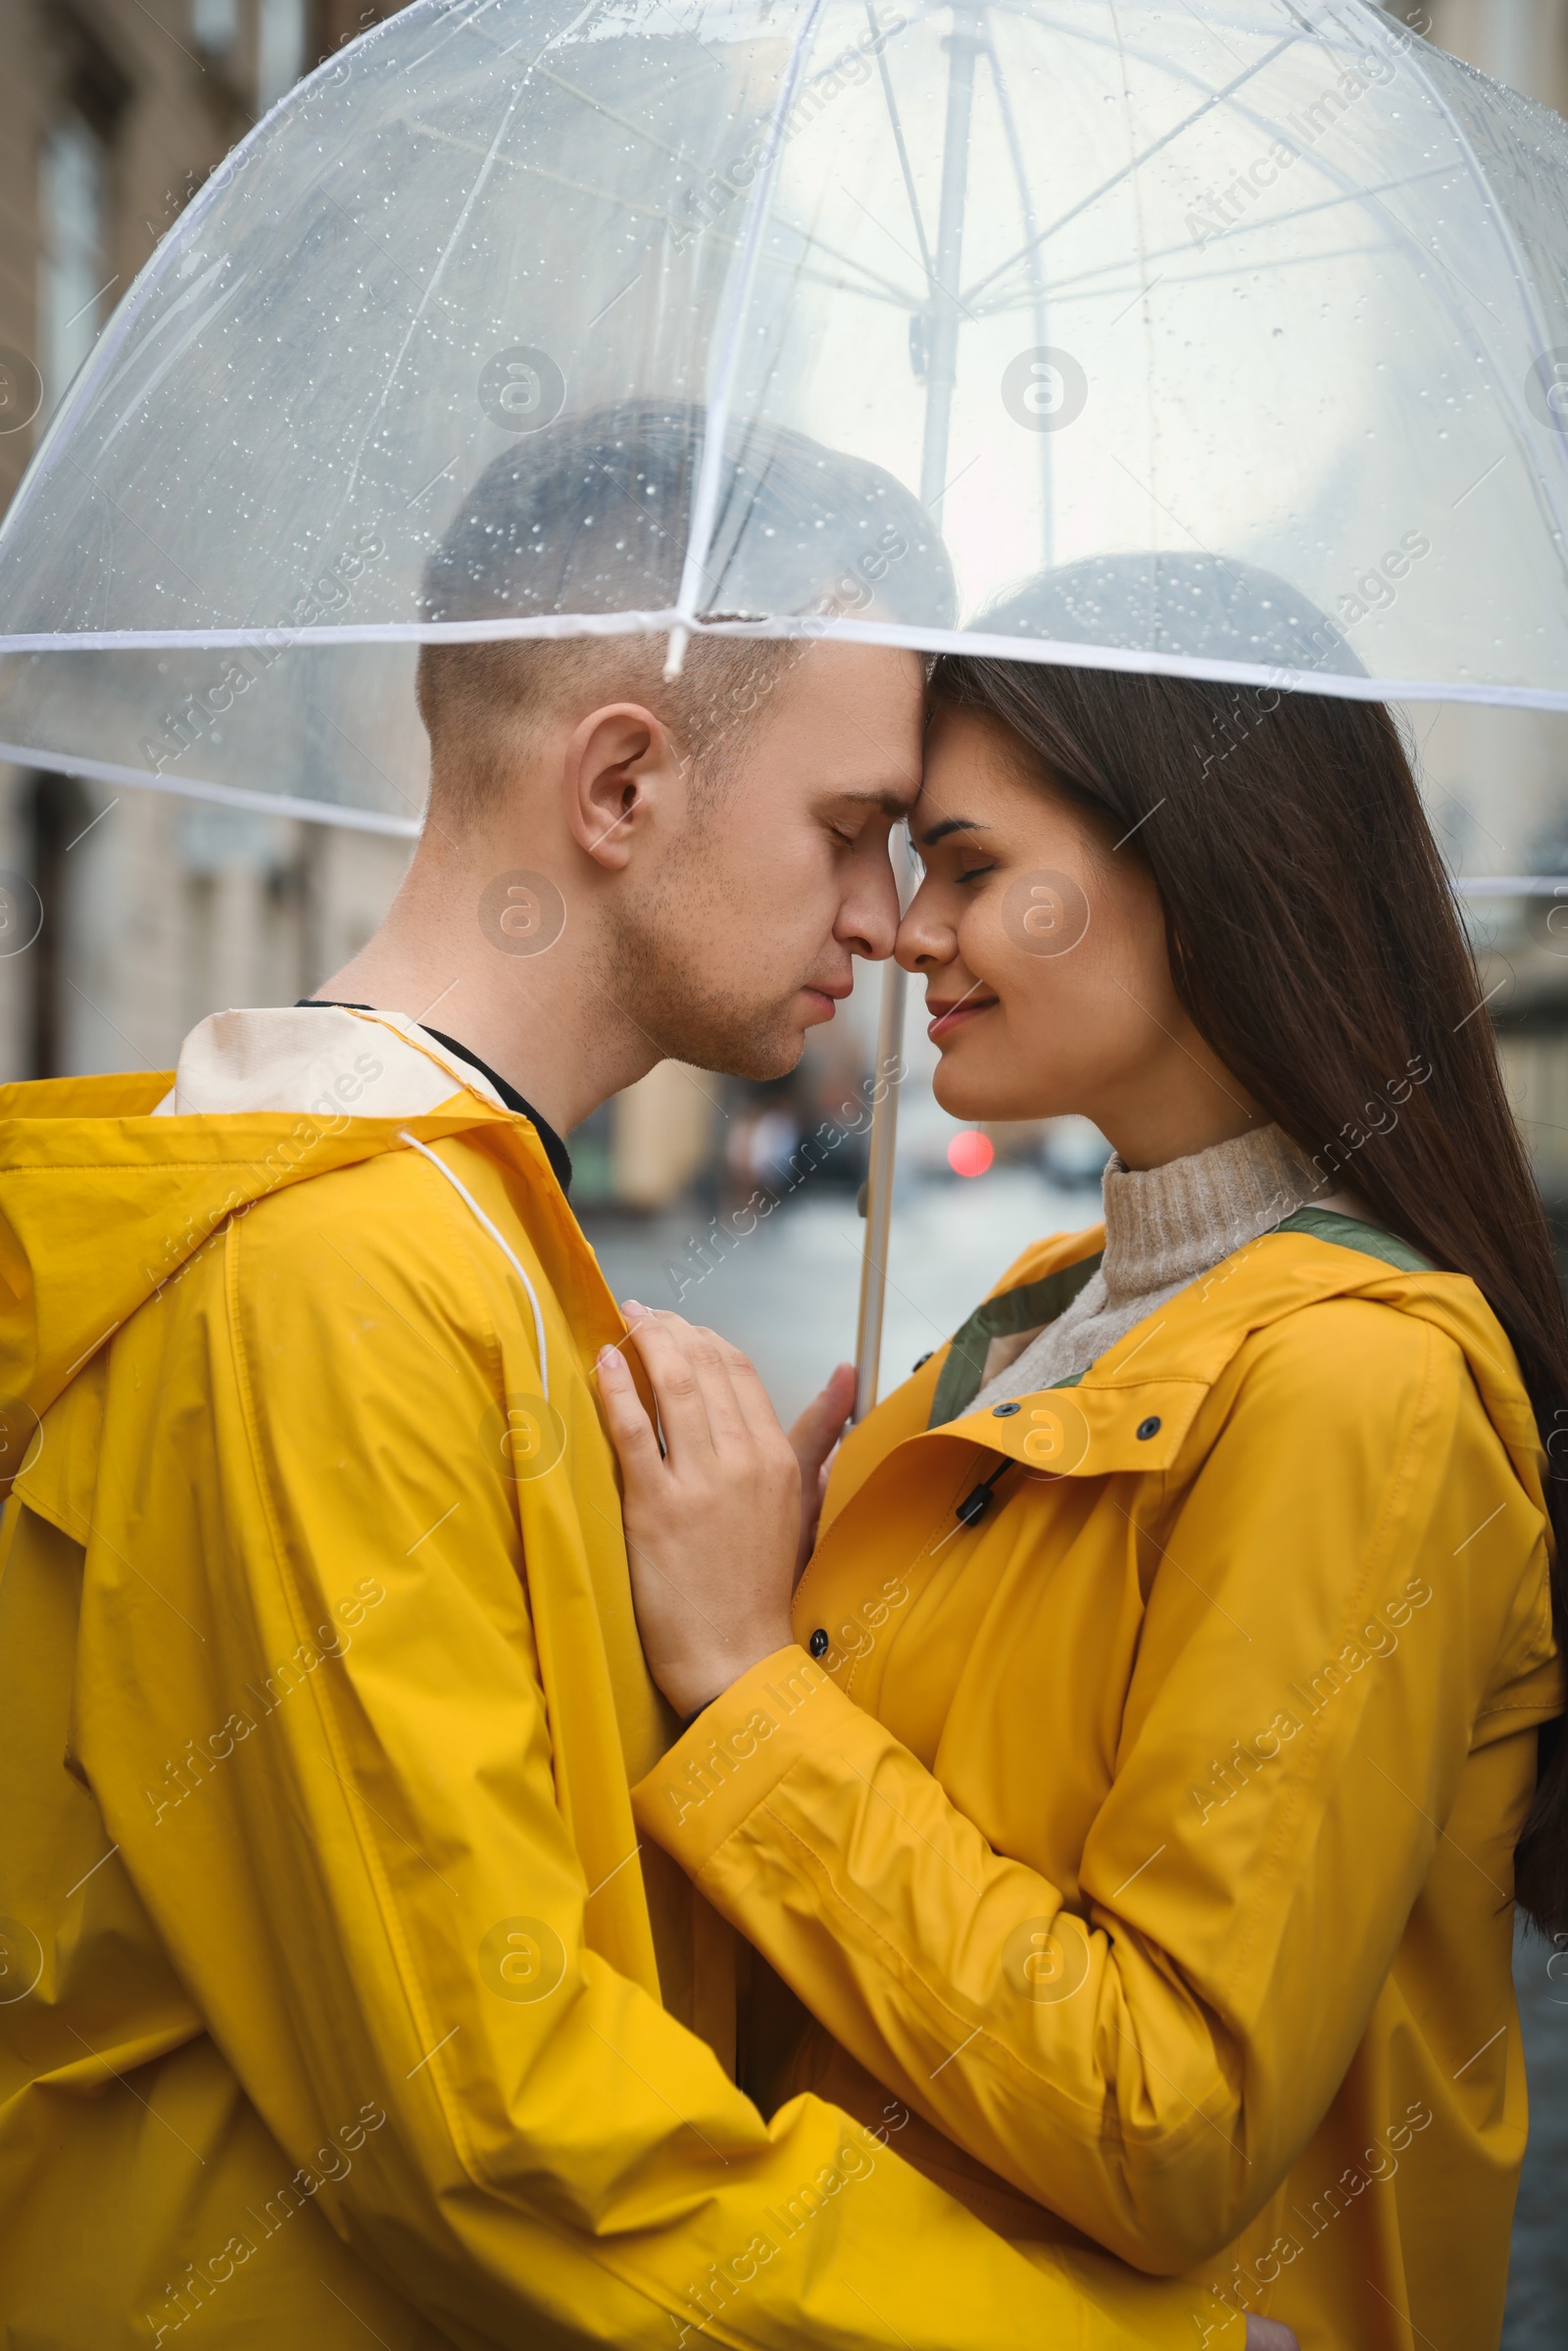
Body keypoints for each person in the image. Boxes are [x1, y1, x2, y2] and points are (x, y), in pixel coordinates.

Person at [0, 428, 1279, 2348]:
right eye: (847, 825)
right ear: (618, 783)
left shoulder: (463, 1231)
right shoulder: (331, 1278)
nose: (880, 920)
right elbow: (496, 2128)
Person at [602, 560, 1567, 2351]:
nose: (901, 928)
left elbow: (1162, 2119)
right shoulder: (1049, 1309)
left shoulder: (1359, 1391)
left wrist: (750, 1683)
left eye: (968, 867)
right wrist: (817, 1577)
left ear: (1196, 866)